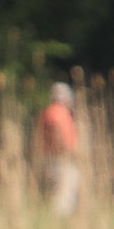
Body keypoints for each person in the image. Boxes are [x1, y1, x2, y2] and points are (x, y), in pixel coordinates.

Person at [37, 81, 80, 215]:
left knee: (57, 192)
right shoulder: (58, 113)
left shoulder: (47, 112)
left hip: (52, 157)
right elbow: (59, 135)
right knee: (62, 194)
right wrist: (66, 151)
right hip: (60, 159)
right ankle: (60, 220)